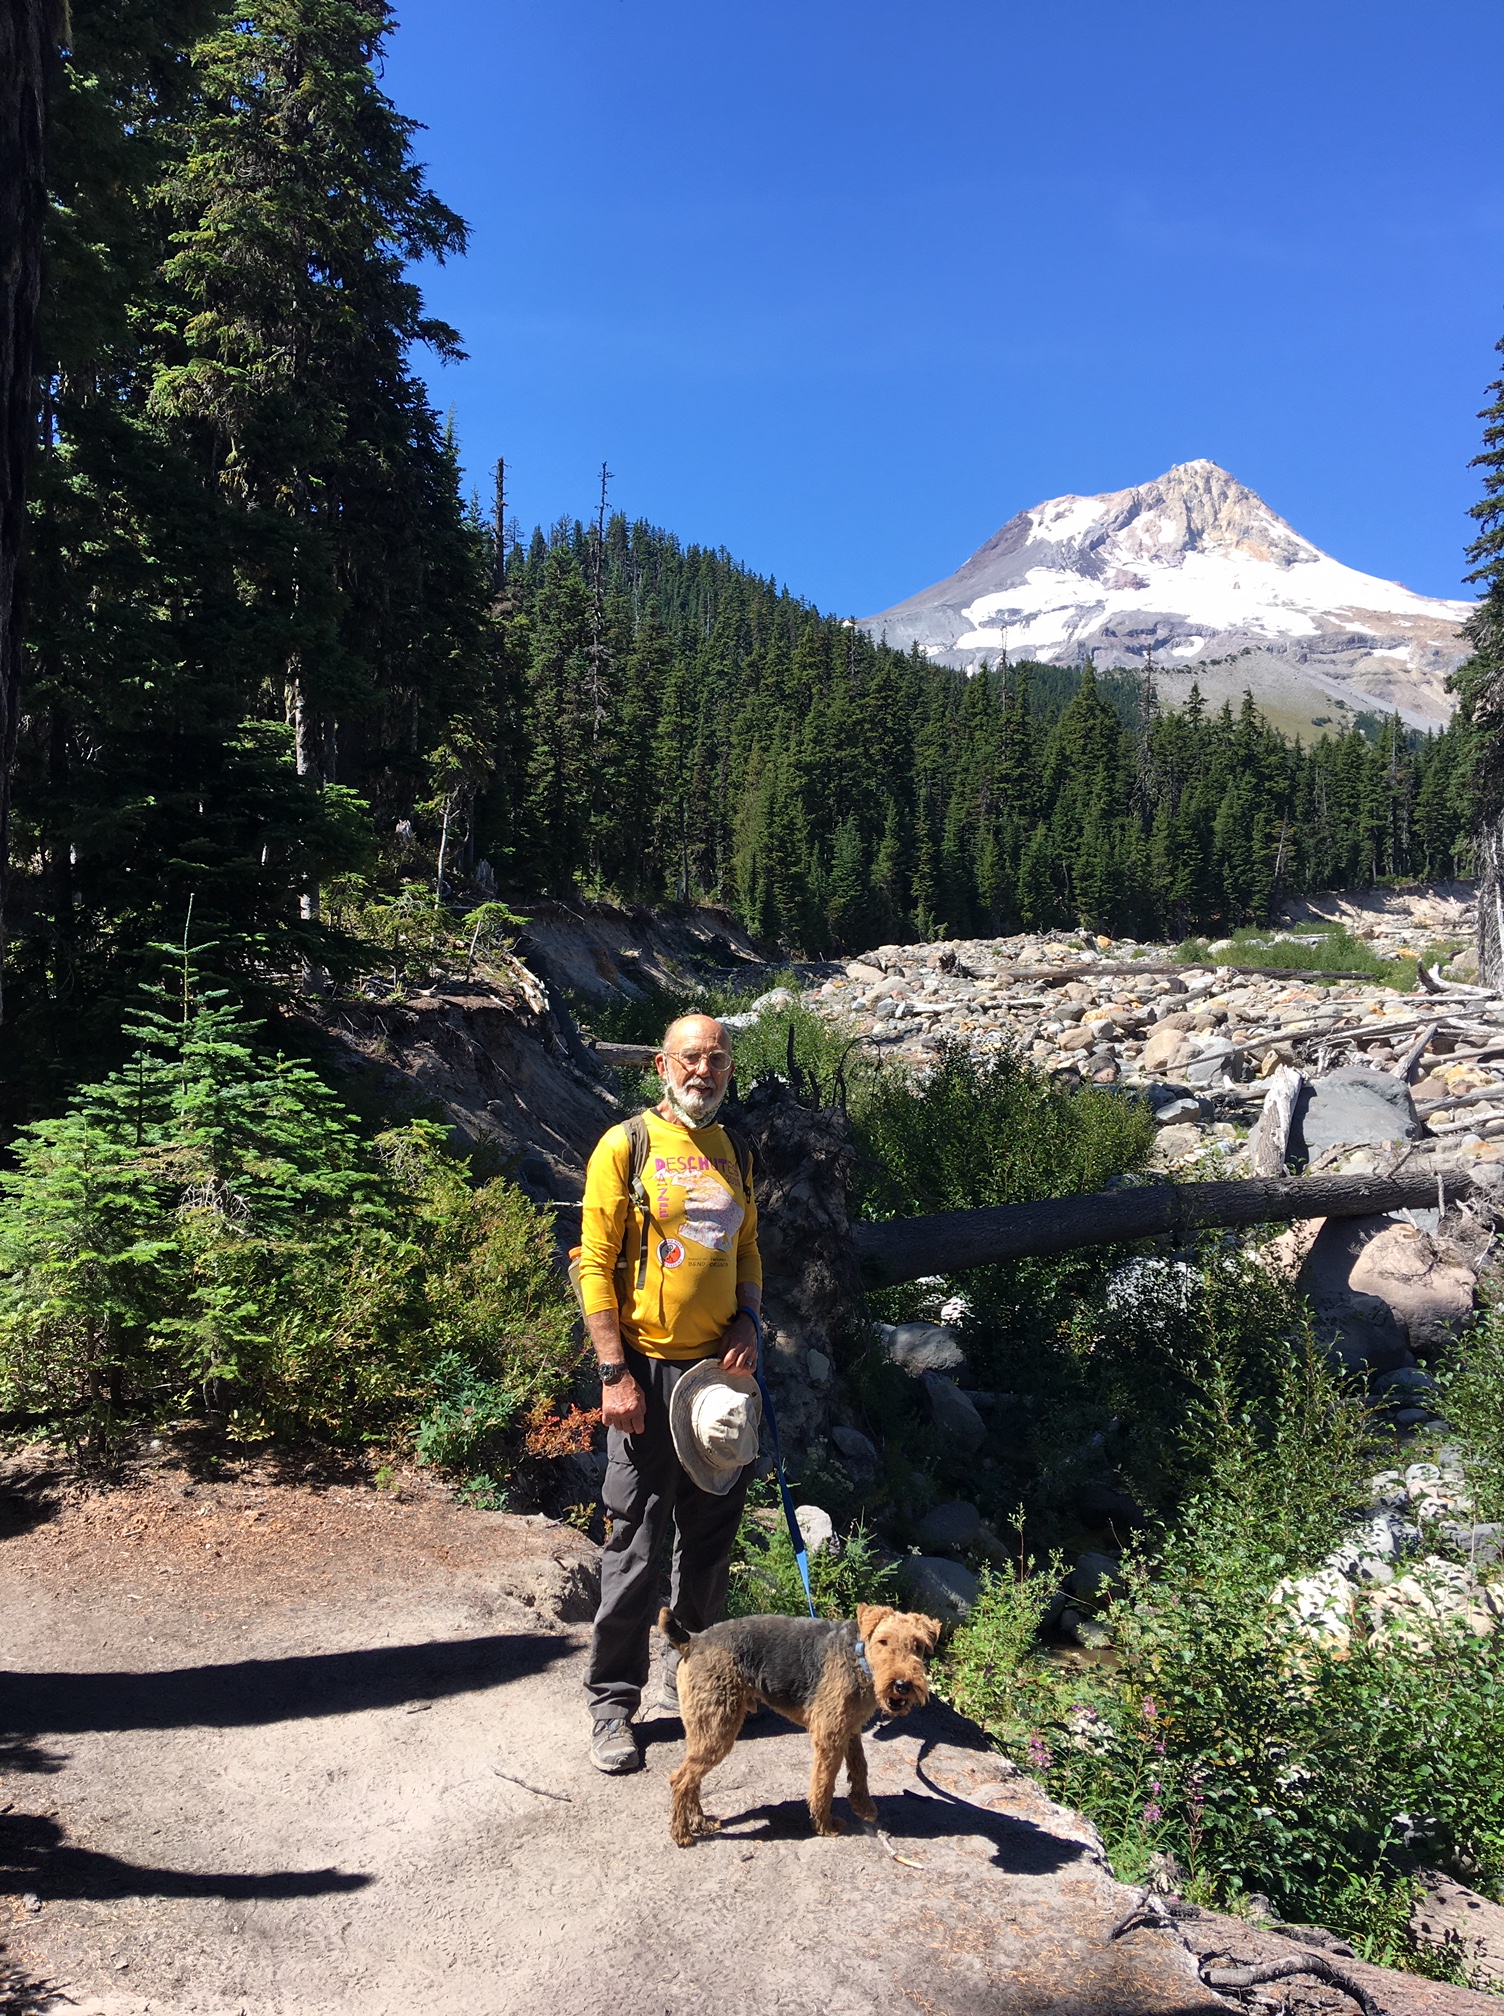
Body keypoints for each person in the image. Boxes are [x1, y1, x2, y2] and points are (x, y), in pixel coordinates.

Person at [578, 1012, 762, 1773]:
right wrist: (614, 1374)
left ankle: (699, 1689)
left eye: (716, 1059)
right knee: (634, 1543)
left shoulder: (734, 1147)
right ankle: (613, 1705)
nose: (704, 1071)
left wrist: (749, 1318)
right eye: (691, 1058)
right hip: (647, 1376)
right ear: (661, 1064)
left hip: (721, 1380)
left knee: (711, 1548)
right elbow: (592, 1264)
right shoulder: (628, 1146)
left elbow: (747, 1245)